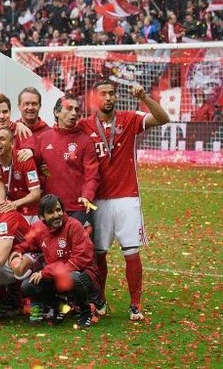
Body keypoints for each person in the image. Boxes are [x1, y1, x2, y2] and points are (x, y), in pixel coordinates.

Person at [81, 79, 169, 321]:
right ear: (94, 98)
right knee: (98, 254)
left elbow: (163, 119)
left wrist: (145, 98)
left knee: (131, 251)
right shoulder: (84, 125)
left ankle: (135, 304)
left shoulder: (130, 119)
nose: (108, 98)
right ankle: (100, 301)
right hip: (97, 200)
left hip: (127, 197)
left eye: (111, 93)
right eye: (103, 94)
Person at [10, 194, 101, 329]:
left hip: (82, 273)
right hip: (54, 274)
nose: (57, 215)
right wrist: (17, 251)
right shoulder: (39, 228)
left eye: (58, 210)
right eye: (51, 212)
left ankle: (85, 311)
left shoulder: (74, 226)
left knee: (72, 278)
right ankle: (59, 306)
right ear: (42, 217)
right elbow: (27, 243)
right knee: (28, 286)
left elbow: (80, 260)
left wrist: (46, 271)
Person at [24, 96, 99, 228]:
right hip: (51, 209)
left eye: (76, 110)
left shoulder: (85, 141)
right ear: (57, 112)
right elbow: (31, 168)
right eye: (69, 109)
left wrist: (87, 196)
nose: (74, 113)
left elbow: (92, 175)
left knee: (82, 248)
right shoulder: (43, 138)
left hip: (79, 207)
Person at [0, 127, 42, 223]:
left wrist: (14, 204)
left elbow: (36, 194)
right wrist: (2, 203)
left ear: (12, 144)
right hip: (10, 210)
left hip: (31, 212)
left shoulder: (24, 159)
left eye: (2, 139)